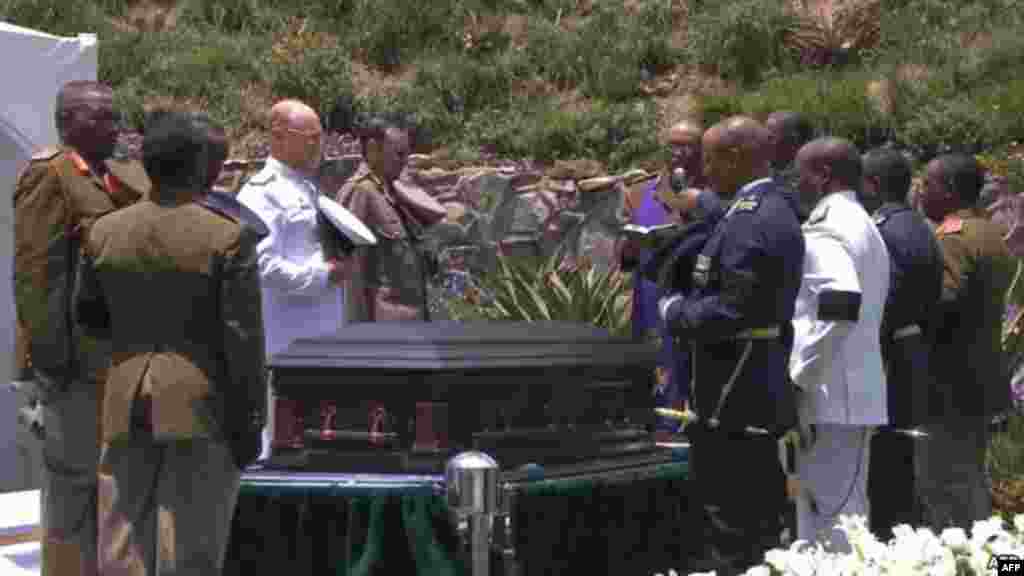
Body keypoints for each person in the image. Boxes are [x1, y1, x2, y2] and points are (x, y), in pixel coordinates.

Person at [77, 110, 266, 575]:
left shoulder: (105, 231)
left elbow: (89, 317)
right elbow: (242, 341)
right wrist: (250, 422)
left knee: (121, 542)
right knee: (190, 545)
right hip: (203, 406)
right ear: (201, 167)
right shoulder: (227, 236)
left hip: (123, 400)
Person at [13, 80, 149, 576]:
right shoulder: (50, 176)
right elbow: (36, 276)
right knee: (72, 491)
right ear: (68, 122)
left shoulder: (114, 175)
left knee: (112, 486)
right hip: (74, 363)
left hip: (118, 356)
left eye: (116, 115)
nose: (114, 124)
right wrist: (51, 363)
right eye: (101, 117)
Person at [658, 116, 804, 575]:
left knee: (731, 521)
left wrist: (674, 312)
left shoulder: (750, 219)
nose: (705, 167)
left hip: (734, 388)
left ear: (735, 157)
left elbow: (732, 310)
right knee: (756, 518)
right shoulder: (771, 206)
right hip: (752, 384)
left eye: (709, 158)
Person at [236, 99, 354, 458]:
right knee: (282, 437)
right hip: (287, 336)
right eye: (311, 138)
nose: (319, 146)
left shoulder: (306, 187)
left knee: (316, 436)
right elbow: (262, 264)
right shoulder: (262, 192)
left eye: (320, 137)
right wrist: (323, 276)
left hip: (320, 332)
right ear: (280, 137)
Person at [789, 137, 890, 552]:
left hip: (830, 395)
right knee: (842, 513)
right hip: (848, 394)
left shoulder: (828, 226)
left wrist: (801, 375)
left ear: (823, 175)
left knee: (831, 521)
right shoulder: (862, 222)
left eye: (801, 175)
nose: (796, 184)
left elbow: (841, 304)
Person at [917, 154, 1015, 530]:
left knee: (943, 484)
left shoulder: (951, 237)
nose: (921, 191)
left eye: (927, 184)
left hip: (949, 381)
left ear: (950, 191)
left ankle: (978, 565)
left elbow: (945, 303)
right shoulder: (987, 230)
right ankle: (999, 563)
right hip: (982, 374)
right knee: (970, 477)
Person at [860, 148, 944, 539]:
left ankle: (889, 544)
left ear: (871, 185)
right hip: (911, 350)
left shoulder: (884, 230)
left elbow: (886, 302)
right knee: (899, 458)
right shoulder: (915, 224)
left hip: (890, 355)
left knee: (887, 462)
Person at [620, 120, 712, 438]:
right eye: (672, 145)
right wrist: (631, 246)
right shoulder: (640, 193)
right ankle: (657, 433)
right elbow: (625, 260)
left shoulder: (715, 193)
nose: (678, 153)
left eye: (687, 146)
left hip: (696, 298)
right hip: (651, 299)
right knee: (656, 374)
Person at [337, 118, 446, 322]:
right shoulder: (360, 192)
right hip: (384, 327)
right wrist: (356, 334)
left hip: (412, 322)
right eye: (399, 154)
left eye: (407, 153)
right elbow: (350, 274)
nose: (405, 160)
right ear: (373, 150)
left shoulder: (393, 191)